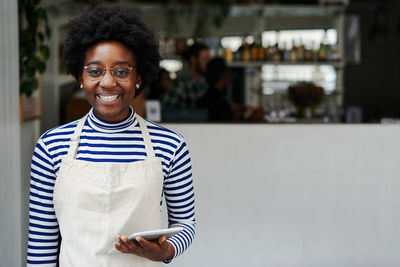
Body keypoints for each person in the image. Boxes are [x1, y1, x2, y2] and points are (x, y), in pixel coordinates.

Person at [27, 5, 195, 267]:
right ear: (80, 77)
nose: (107, 83)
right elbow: (41, 241)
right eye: (95, 71)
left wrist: (163, 252)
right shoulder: (51, 146)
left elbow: (186, 224)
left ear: (138, 77)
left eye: (121, 71)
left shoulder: (170, 145)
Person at [198, 57, 265, 122]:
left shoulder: (206, 98)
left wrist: (242, 109)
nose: (230, 76)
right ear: (223, 75)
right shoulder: (218, 102)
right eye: (228, 72)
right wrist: (249, 116)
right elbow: (230, 124)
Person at [162, 41, 210, 108]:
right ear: (193, 59)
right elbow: (166, 110)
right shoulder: (180, 83)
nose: (208, 63)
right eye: (205, 59)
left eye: (208, 59)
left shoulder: (206, 82)